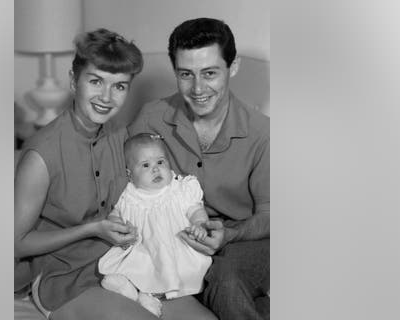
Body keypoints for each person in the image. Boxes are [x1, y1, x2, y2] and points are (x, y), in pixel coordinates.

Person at [14, 28, 216, 320]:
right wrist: (91, 229)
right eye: (96, 81)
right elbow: (16, 242)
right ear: (74, 81)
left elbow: (153, 185)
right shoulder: (40, 155)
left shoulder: (120, 134)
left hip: (128, 264)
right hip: (64, 276)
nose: (106, 97)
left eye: (119, 86)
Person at [128, 18, 270, 320]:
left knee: (226, 282)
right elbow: (123, 184)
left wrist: (229, 235)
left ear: (233, 67)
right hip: (175, 240)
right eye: (186, 75)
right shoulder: (150, 118)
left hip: (244, 239)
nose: (198, 88)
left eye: (209, 73)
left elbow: (271, 216)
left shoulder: (262, 133)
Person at [98, 133, 212, 317]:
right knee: (139, 266)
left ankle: (147, 296)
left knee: (176, 271)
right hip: (144, 248)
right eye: (145, 165)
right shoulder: (129, 196)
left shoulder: (179, 189)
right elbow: (114, 215)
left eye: (161, 162)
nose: (156, 169)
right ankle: (136, 292)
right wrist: (119, 226)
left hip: (177, 247)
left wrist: (199, 224)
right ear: (130, 174)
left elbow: (195, 209)